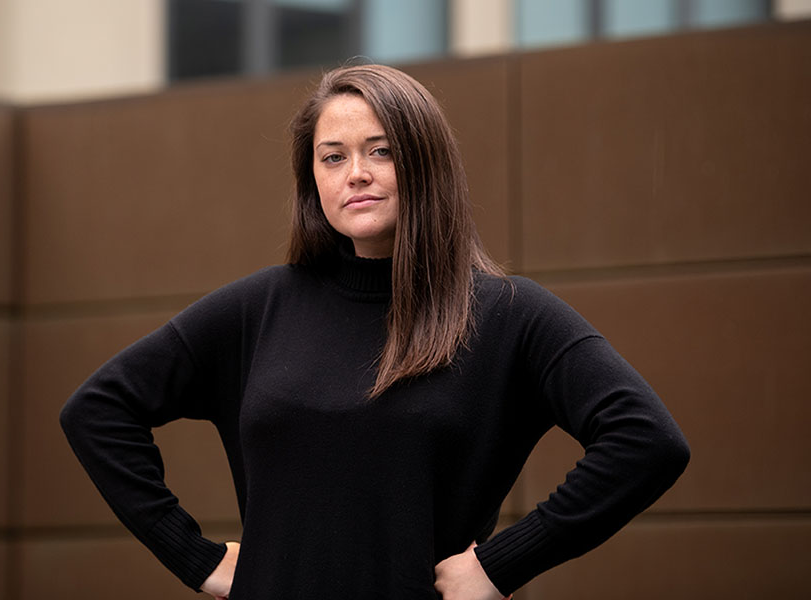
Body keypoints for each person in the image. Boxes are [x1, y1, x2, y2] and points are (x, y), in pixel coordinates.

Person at [60, 64, 690, 599]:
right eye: (332, 157)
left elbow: (646, 441)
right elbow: (98, 410)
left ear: (424, 161)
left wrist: (501, 564)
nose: (354, 173)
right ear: (314, 180)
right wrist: (195, 557)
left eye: (380, 150)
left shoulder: (508, 315)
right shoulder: (261, 307)